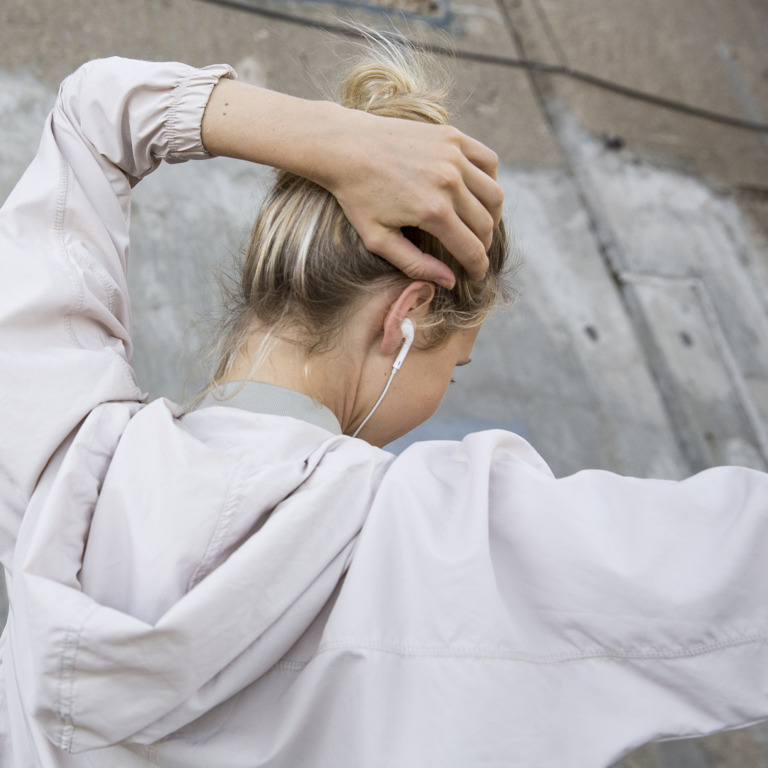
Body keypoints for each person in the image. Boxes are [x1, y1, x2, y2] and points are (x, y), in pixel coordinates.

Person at [0, 34, 767, 768]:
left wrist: (333, 142)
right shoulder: (452, 547)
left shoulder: (61, 462)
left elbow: (93, 118)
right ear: (404, 321)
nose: (444, 393)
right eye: (454, 370)